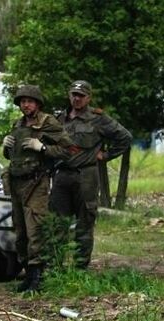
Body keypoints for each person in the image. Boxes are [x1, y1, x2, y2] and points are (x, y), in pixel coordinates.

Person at [52, 80, 132, 269]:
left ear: (89, 98)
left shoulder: (98, 118)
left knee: (85, 222)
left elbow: (125, 137)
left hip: (85, 176)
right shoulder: (60, 119)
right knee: (57, 223)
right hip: (62, 176)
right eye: (74, 94)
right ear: (69, 95)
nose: (77, 99)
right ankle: (56, 267)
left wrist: (106, 155)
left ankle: (80, 268)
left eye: (81, 95)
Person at [2, 85, 73, 292]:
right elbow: (13, 156)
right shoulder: (18, 124)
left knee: (36, 230)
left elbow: (68, 149)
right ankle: (27, 274)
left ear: (38, 104)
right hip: (17, 183)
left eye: (30, 101)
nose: (26, 105)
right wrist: (6, 147)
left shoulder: (48, 122)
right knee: (20, 232)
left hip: (36, 183)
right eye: (23, 102)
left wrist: (42, 147)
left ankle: (37, 277)